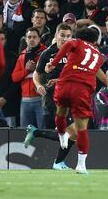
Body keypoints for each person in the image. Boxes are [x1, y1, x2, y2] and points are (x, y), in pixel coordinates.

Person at [44, 27, 108, 174]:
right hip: (82, 89)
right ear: (95, 40)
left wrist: (54, 62)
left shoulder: (77, 43)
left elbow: (68, 45)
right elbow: (96, 69)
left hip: (65, 84)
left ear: (79, 36)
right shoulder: (97, 54)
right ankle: (81, 165)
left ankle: (62, 135)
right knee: (82, 128)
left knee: (61, 112)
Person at [24, 24, 79, 170]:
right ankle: (58, 162)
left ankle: (37, 134)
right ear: (56, 35)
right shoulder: (48, 53)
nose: (65, 38)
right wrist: (38, 85)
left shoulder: (75, 52)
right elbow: (37, 73)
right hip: (53, 96)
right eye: (62, 35)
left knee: (74, 132)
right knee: (70, 131)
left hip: (70, 95)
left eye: (68, 36)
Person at [12, 27, 47, 128]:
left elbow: (50, 72)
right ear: (26, 39)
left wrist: (35, 67)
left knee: (42, 131)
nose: (32, 39)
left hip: (41, 99)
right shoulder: (22, 55)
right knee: (25, 133)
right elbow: (14, 77)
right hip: (25, 100)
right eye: (29, 37)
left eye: (34, 37)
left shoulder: (46, 53)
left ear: (39, 38)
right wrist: (26, 70)